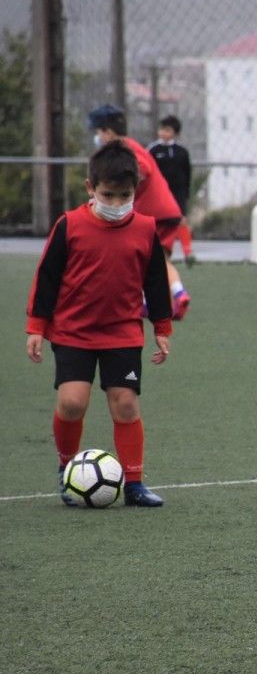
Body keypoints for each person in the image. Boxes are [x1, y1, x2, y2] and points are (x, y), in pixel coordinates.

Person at [25, 140, 173, 507]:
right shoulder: (69, 225)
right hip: (73, 332)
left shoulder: (145, 229)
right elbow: (47, 278)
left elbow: (155, 281)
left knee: (125, 405)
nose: (116, 203)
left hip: (122, 332)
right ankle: (67, 470)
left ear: (135, 191)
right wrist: (36, 327)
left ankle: (135, 483)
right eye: (108, 195)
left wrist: (162, 328)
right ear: (90, 189)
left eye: (124, 195)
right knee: (72, 403)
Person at [88, 105, 191, 320]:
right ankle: (179, 294)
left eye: (98, 132)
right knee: (162, 260)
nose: (97, 138)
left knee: (136, 258)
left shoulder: (124, 149)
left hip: (154, 213)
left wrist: (119, 189)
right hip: (169, 211)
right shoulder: (131, 146)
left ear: (107, 132)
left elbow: (142, 169)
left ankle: (142, 303)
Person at [146, 115, 196, 267]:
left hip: (178, 192)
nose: (163, 133)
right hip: (160, 193)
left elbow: (187, 173)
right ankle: (158, 252)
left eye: (167, 130)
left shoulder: (182, 152)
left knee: (181, 220)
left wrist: (185, 192)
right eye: (161, 129)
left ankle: (188, 253)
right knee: (158, 222)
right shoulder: (153, 150)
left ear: (175, 133)